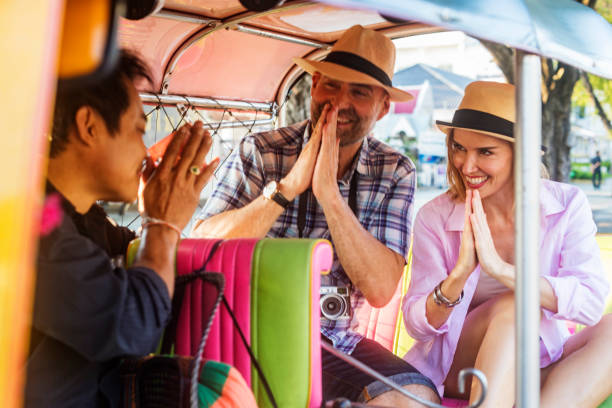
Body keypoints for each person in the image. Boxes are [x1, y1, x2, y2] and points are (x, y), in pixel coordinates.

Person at [192, 25, 440, 406]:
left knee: (416, 398)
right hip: (247, 330)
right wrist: (288, 187)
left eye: (358, 92)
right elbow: (202, 243)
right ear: (314, 84)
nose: (339, 102)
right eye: (331, 86)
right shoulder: (261, 151)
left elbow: (381, 289)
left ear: (384, 107)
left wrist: (330, 196)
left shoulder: (395, 170)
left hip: (332, 342)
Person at [25, 50, 218, 407]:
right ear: (90, 126)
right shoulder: (30, 226)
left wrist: (161, 220)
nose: (145, 153)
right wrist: (163, 224)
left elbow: (160, 285)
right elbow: (133, 325)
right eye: (138, 130)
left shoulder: (86, 220)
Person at [402, 81, 612, 407]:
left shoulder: (567, 205)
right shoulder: (435, 217)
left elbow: (591, 304)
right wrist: (457, 278)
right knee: (516, 307)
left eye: (485, 152)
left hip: (537, 359)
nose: (467, 166)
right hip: (459, 365)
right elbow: (417, 326)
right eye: (459, 148)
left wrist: (501, 270)